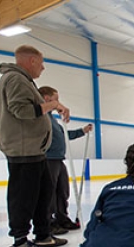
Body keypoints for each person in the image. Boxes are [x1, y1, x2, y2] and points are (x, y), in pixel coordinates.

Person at [0, 45, 69, 247]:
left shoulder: (22, 80)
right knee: (23, 196)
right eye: (41, 63)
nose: (42, 68)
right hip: (23, 149)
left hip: (34, 149)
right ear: (32, 61)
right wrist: (51, 105)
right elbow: (22, 110)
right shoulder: (15, 79)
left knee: (43, 194)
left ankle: (43, 234)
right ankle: (20, 241)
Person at [38, 86, 93, 234]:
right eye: (55, 99)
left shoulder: (53, 119)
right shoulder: (41, 116)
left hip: (58, 159)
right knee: (49, 193)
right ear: (46, 98)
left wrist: (82, 131)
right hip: (48, 158)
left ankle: (62, 218)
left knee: (62, 190)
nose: (58, 103)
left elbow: (65, 136)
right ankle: (48, 221)